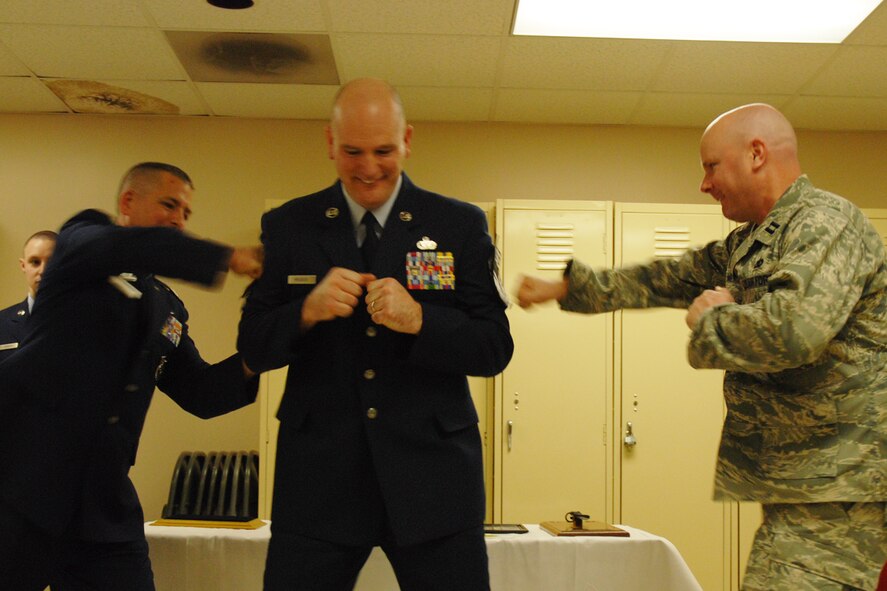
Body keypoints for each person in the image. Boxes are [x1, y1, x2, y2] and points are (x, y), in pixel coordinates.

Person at [516, 104, 886, 590]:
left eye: (711, 166)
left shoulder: (825, 222)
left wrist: (713, 319)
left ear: (756, 154)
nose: (704, 183)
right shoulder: (752, 240)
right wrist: (568, 288)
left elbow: (795, 331)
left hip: (840, 485)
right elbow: (667, 278)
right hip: (807, 480)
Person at [238, 78, 513, 591]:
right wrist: (306, 311)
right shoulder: (288, 226)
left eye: (384, 150)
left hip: (434, 480)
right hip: (318, 481)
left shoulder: (457, 224)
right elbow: (252, 344)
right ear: (329, 144)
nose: (368, 168)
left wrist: (421, 320)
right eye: (352, 151)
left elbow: (494, 346)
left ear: (407, 140)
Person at [0, 162, 264, 591]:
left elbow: (201, 393)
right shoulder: (81, 245)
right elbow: (117, 248)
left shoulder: (165, 306)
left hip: (104, 509)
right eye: (169, 204)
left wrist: (263, 353)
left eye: (186, 213)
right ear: (128, 203)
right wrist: (230, 258)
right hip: (24, 493)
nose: (178, 220)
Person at [0, 230, 57, 363]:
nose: (43, 271)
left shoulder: (82, 320)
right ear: (23, 265)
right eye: (35, 262)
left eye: (51, 262)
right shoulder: (2, 324)